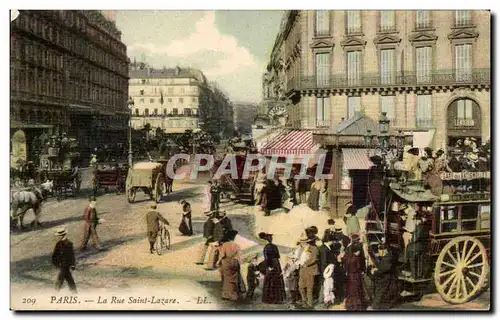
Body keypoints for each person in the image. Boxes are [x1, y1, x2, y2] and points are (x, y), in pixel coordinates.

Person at [217, 230, 246, 301]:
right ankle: (236, 294)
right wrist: (240, 262)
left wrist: (218, 262)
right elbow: (240, 257)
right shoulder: (236, 245)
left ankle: (227, 295)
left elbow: (222, 255)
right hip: (235, 262)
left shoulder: (225, 245)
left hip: (226, 263)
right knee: (235, 278)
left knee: (227, 279)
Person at [259, 232, 286, 304]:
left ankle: (270, 299)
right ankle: (276, 299)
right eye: (270, 237)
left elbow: (267, 258)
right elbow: (277, 256)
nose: (271, 238)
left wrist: (269, 266)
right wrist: (270, 265)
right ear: (268, 239)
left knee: (270, 281)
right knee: (275, 281)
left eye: (271, 237)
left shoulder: (266, 247)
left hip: (271, 264)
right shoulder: (274, 246)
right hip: (275, 264)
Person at [371, 243, 399, 310]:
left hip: (386, 278)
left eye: (379, 250)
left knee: (380, 292)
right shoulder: (387, 256)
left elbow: (383, 269)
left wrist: (374, 272)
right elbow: (382, 266)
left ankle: (376, 307)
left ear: (384, 250)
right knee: (381, 293)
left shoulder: (387, 258)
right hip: (386, 277)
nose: (378, 252)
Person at [342, 244, 368, 311]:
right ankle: (358, 306)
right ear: (356, 251)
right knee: (357, 291)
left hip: (349, 276)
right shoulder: (356, 258)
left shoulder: (347, 258)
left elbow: (345, 267)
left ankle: (351, 305)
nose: (359, 252)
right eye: (359, 251)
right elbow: (358, 268)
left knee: (351, 291)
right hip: (356, 276)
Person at [52, 227, 77, 293]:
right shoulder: (58, 244)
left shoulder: (69, 244)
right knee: (68, 279)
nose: (59, 237)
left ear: (63, 235)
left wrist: (72, 264)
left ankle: (56, 292)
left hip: (66, 265)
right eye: (59, 235)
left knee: (62, 279)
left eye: (60, 235)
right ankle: (74, 292)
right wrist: (56, 263)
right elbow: (55, 255)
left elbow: (71, 255)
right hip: (62, 265)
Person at [298, 233, 319, 309]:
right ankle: (304, 301)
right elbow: (299, 258)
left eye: (302, 242)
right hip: (302, 270)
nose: (301, 243)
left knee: (309, 288)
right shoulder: (300, 249)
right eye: (300, 242)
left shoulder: (313, 248)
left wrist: (307, 264)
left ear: (306, 242)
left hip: (310, 270)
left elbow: (316, 259)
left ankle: (309, 303)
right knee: (300, 287)